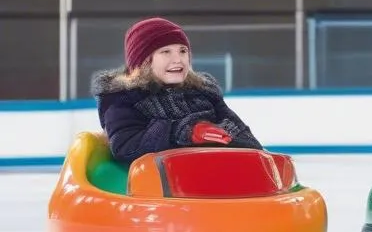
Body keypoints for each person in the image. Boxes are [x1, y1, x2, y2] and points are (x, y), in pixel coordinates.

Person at [93, 16, 262, 164]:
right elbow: (125, 146)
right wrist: (185, 132)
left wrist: (258, 155)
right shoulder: (123, 98)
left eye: (183, 51)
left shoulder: (203, 91)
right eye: (166, 52)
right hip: (157, 186)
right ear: (143, 61)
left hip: (212, 176)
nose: (178, 60)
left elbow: (237, 128)